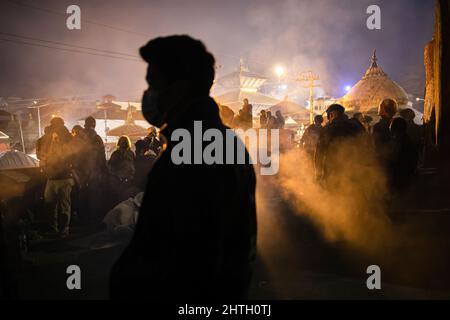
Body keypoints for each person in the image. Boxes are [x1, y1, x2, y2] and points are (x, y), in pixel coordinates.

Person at [110, 35, 257, 300]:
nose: (149, 93)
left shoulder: (194, 151)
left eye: (154, 83)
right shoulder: (217, 140)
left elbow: (187, 258)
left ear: (179, 88)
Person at [315, 104, 364, 182]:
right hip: (353, 167)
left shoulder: (327, 129)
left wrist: (318, 171)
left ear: (332, 114)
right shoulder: (355, 126)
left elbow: (320, 152)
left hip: (333, 168)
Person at [44, 117, 74, 237]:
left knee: (63, 206)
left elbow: (68, 154)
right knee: (52, 204)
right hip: (52, 176)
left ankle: (63, 230)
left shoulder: (66, 137)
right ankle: (55, 229)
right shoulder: (52, 137)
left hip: (63, 177)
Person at [82, 116, 107, 225]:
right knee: (94, 196)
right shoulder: (97, 138)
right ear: (94, 125)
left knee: (81, 195)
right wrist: (104, 169)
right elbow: (102, 157)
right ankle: (93, 220)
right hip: (95, 172)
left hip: (80, 173)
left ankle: (81, 219)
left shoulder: (79, 137)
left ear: (85, 124)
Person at [388, 117, 418, 190]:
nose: (393, 135)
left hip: (401, 180)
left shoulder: (405, 144)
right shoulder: (405, 141)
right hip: (404, 179)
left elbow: (399, 163)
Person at [373, 99, 398, 166]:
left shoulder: (378, 126)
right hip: (396, 159)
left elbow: (376, 144)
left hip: (383, 160)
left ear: (383, 109)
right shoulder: (398, 124)